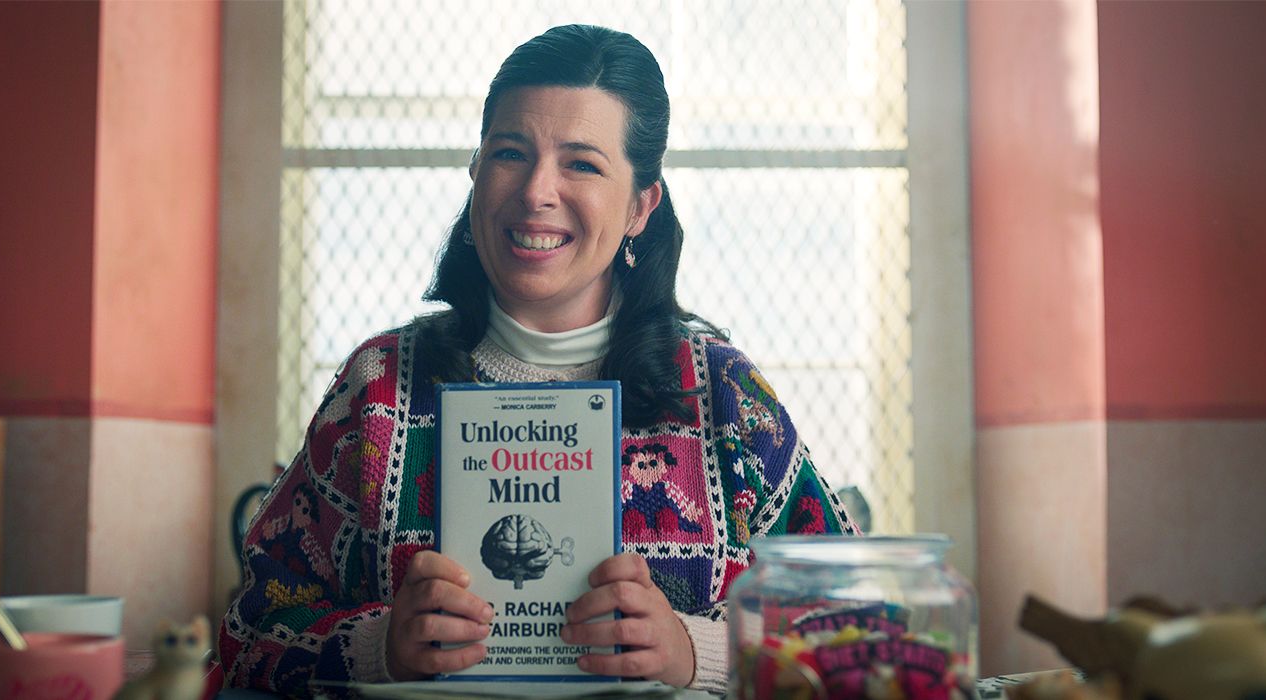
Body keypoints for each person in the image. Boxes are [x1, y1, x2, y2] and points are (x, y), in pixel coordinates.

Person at [219, 24, 859, 696]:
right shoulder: (379, 389)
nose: (535, 192)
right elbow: (247, 633)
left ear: (642, 204)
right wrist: (380, 646)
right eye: (509, 153)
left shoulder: (723, 393)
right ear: (475, 173)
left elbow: (862, 622)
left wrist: (697, 650)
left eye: (581, 163)